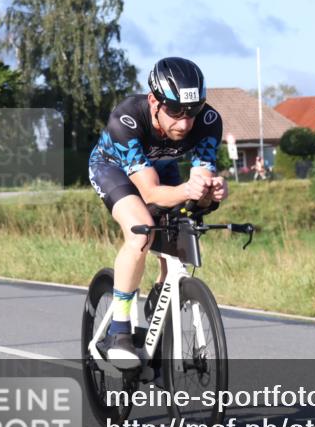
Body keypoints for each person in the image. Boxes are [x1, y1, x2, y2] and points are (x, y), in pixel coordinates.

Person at [88, 57, 228, 365]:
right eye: (175, 111)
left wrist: (211, 193)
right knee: (140, 233)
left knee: (181, 237)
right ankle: (119, 329)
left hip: (162, 170)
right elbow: (150, 192)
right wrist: (188, 190)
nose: (185, 123)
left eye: (192, 111)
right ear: (154, 101)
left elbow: (199, 188)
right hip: (113, 170)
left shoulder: (208, 122)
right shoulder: (127, 118)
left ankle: (157, 306)